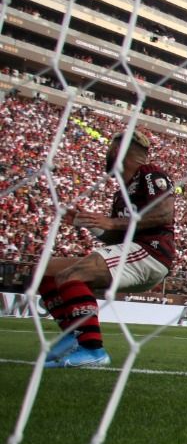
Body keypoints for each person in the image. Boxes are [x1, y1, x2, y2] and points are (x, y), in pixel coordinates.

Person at [38, 125, 175, 368]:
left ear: (122, 150)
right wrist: (92, 224)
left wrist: (111, 221)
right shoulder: (120, 194)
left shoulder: (151, 175)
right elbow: (116, 239)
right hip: (131, 252)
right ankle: (73, 336)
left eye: (110, 148)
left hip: (151, 253)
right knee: (46, 271)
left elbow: (164, 215)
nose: (106, 154)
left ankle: (93, 351)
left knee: (75, 273)